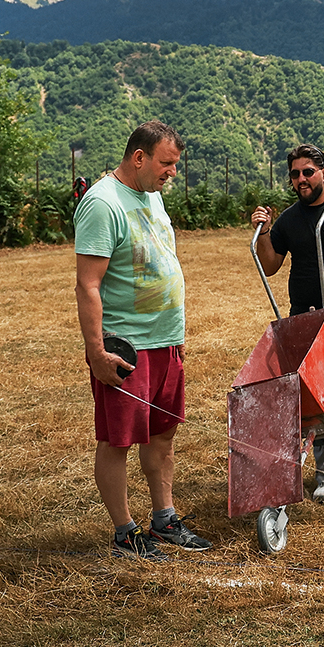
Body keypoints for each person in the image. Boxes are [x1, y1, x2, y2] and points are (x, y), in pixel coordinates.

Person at [74, 120, 211, 560]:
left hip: (165, 341)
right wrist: (97, 352)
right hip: (126, 346)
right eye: (166, 164)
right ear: (139, 157)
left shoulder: (152, 197)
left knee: (162, 435)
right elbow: (88, 285)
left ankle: (164, 519)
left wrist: (176, 335)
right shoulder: (102, 203)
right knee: (118, 441)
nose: (172, 172)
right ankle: (124, 532)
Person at [251, 143, 324, 504]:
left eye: (308, 172)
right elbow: (271, 264)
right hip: (304, 316)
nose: (301, 179)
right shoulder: (290, 218)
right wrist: (264, 233)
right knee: (318, 395)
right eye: (295, 174)